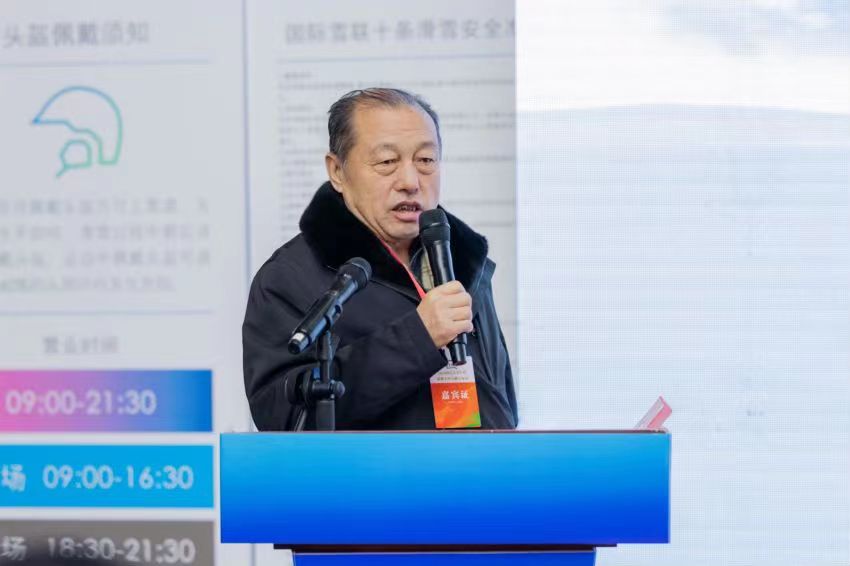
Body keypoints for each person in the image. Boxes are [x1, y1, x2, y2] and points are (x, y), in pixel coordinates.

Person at [243, 88, 517, 430]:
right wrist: (418, 337)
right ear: (337, 171)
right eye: (387, 162)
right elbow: (283, 417)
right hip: (375, 468)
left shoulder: (464, 263)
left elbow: (500, 400)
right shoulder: (290, 278)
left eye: (425, 160)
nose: (410, 182)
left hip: (480, 464)